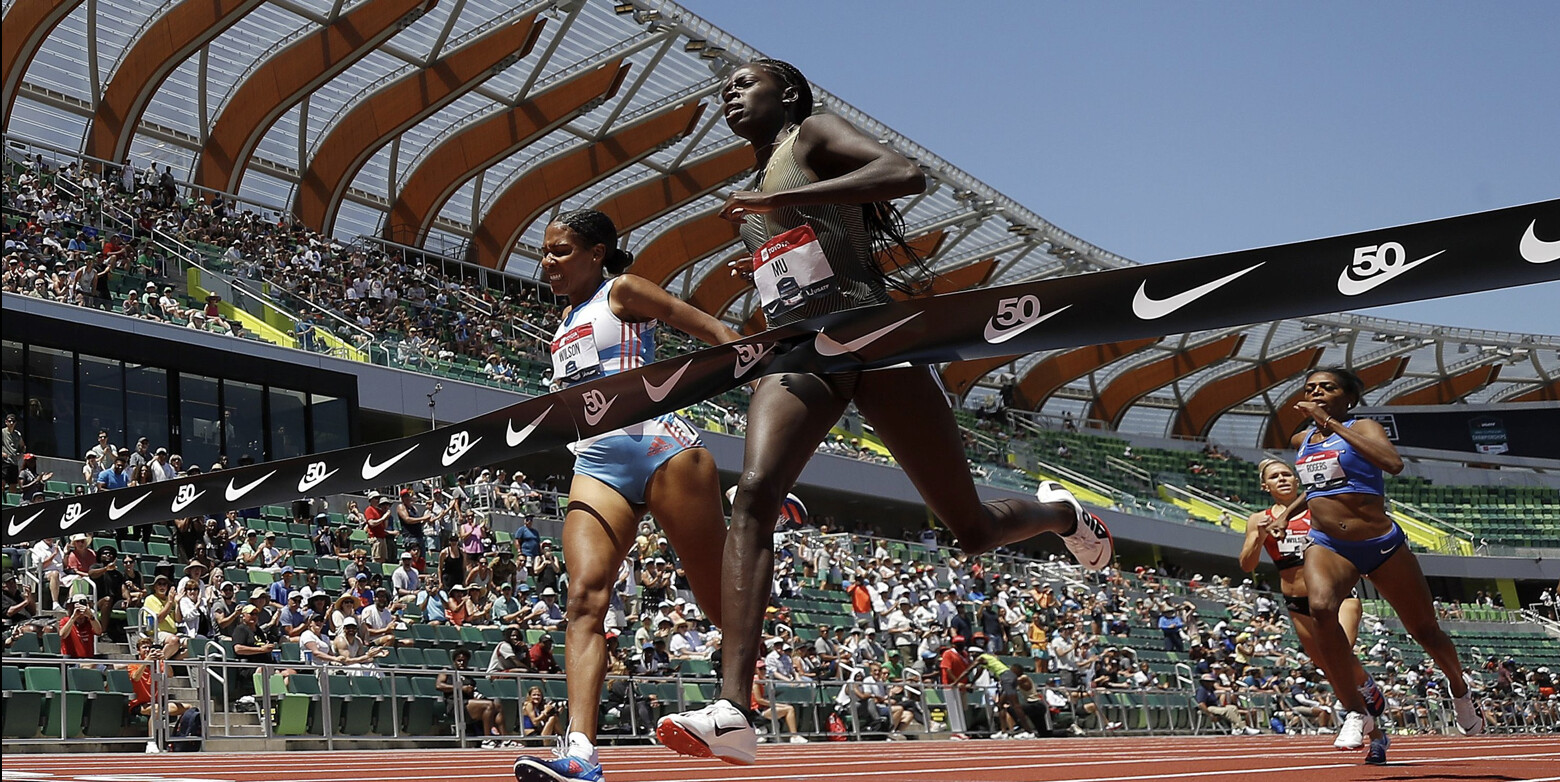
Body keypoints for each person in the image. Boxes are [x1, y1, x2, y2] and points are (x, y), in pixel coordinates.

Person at [656, 59, 1112, 767]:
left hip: (873, 337)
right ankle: (733, 710)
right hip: (803, 349)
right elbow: (809, 253)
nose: (729, 95)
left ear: (789, 93)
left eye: (744, 85)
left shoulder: (812, 135)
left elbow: (904, 173)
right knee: (753, 493)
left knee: (971, 529)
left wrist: (774, 204)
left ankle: (1059, 513)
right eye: (724, 91)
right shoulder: (759, 177)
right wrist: (767, 259)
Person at [513, 209, 735, 782]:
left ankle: (738, 709)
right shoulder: (562, 324)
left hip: (661, 448)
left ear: (596, 253)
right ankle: (581, 752)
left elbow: (706, 326)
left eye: (560, 250)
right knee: (583, 598)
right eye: (544, 251)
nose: (547, 261)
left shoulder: (623, 291)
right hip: (596, 463)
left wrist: (759, 373)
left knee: (717, 601)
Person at [1285, 367, 1483, 765]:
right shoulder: (1300, 440)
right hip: (1329, 544)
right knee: (1320, 608)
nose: (1317, 392)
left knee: (1425, 631)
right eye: (1310, 388)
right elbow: (1316, 484)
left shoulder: (1364, 427)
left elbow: (1392, 464)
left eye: (1327, 387)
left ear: (1348, 398)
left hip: (1380, 544)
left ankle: (1460, 690)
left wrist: (1330, 424)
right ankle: (1355, 710)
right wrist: (1288, 513)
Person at [1238, 457, 1379, 750]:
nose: (1282, 479)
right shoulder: (1258, 519)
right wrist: (1260, 536)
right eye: (1274, 477)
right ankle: (1374, 732)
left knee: (1339, 653)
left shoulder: (1318, 507)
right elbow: (1246, 565)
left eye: (1286, 474)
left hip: (1336, 594)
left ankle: (1364, 689)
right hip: (1297, 601)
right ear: (1265, 486)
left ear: (1296, 479)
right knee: (1327, 664)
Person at [437, 647, 508, 748]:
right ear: (454, 661)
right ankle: (487, 740)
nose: (461, 663)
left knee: (497, 706)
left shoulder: (469, 678)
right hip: (455, 704)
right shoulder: (447, 672)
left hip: (469, 703)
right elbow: (439, 685)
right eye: (459, 660)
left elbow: (473, 694)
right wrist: (461, 688)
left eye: (464, 661)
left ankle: (505, 740)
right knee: (488, 705)